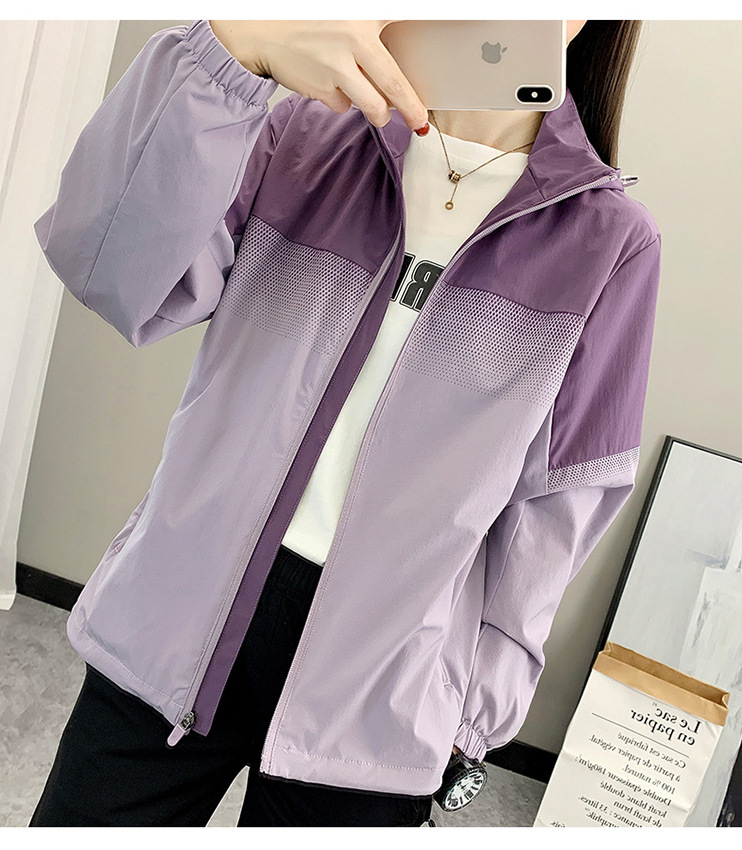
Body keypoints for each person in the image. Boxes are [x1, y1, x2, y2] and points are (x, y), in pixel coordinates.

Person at [29, 19, 661, 826]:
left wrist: (470, 711)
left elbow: (561, 503)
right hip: (172, 618)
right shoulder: (301, 133)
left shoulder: (611, 244)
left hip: (383, 692)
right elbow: (117, 276)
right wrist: (226, 52)